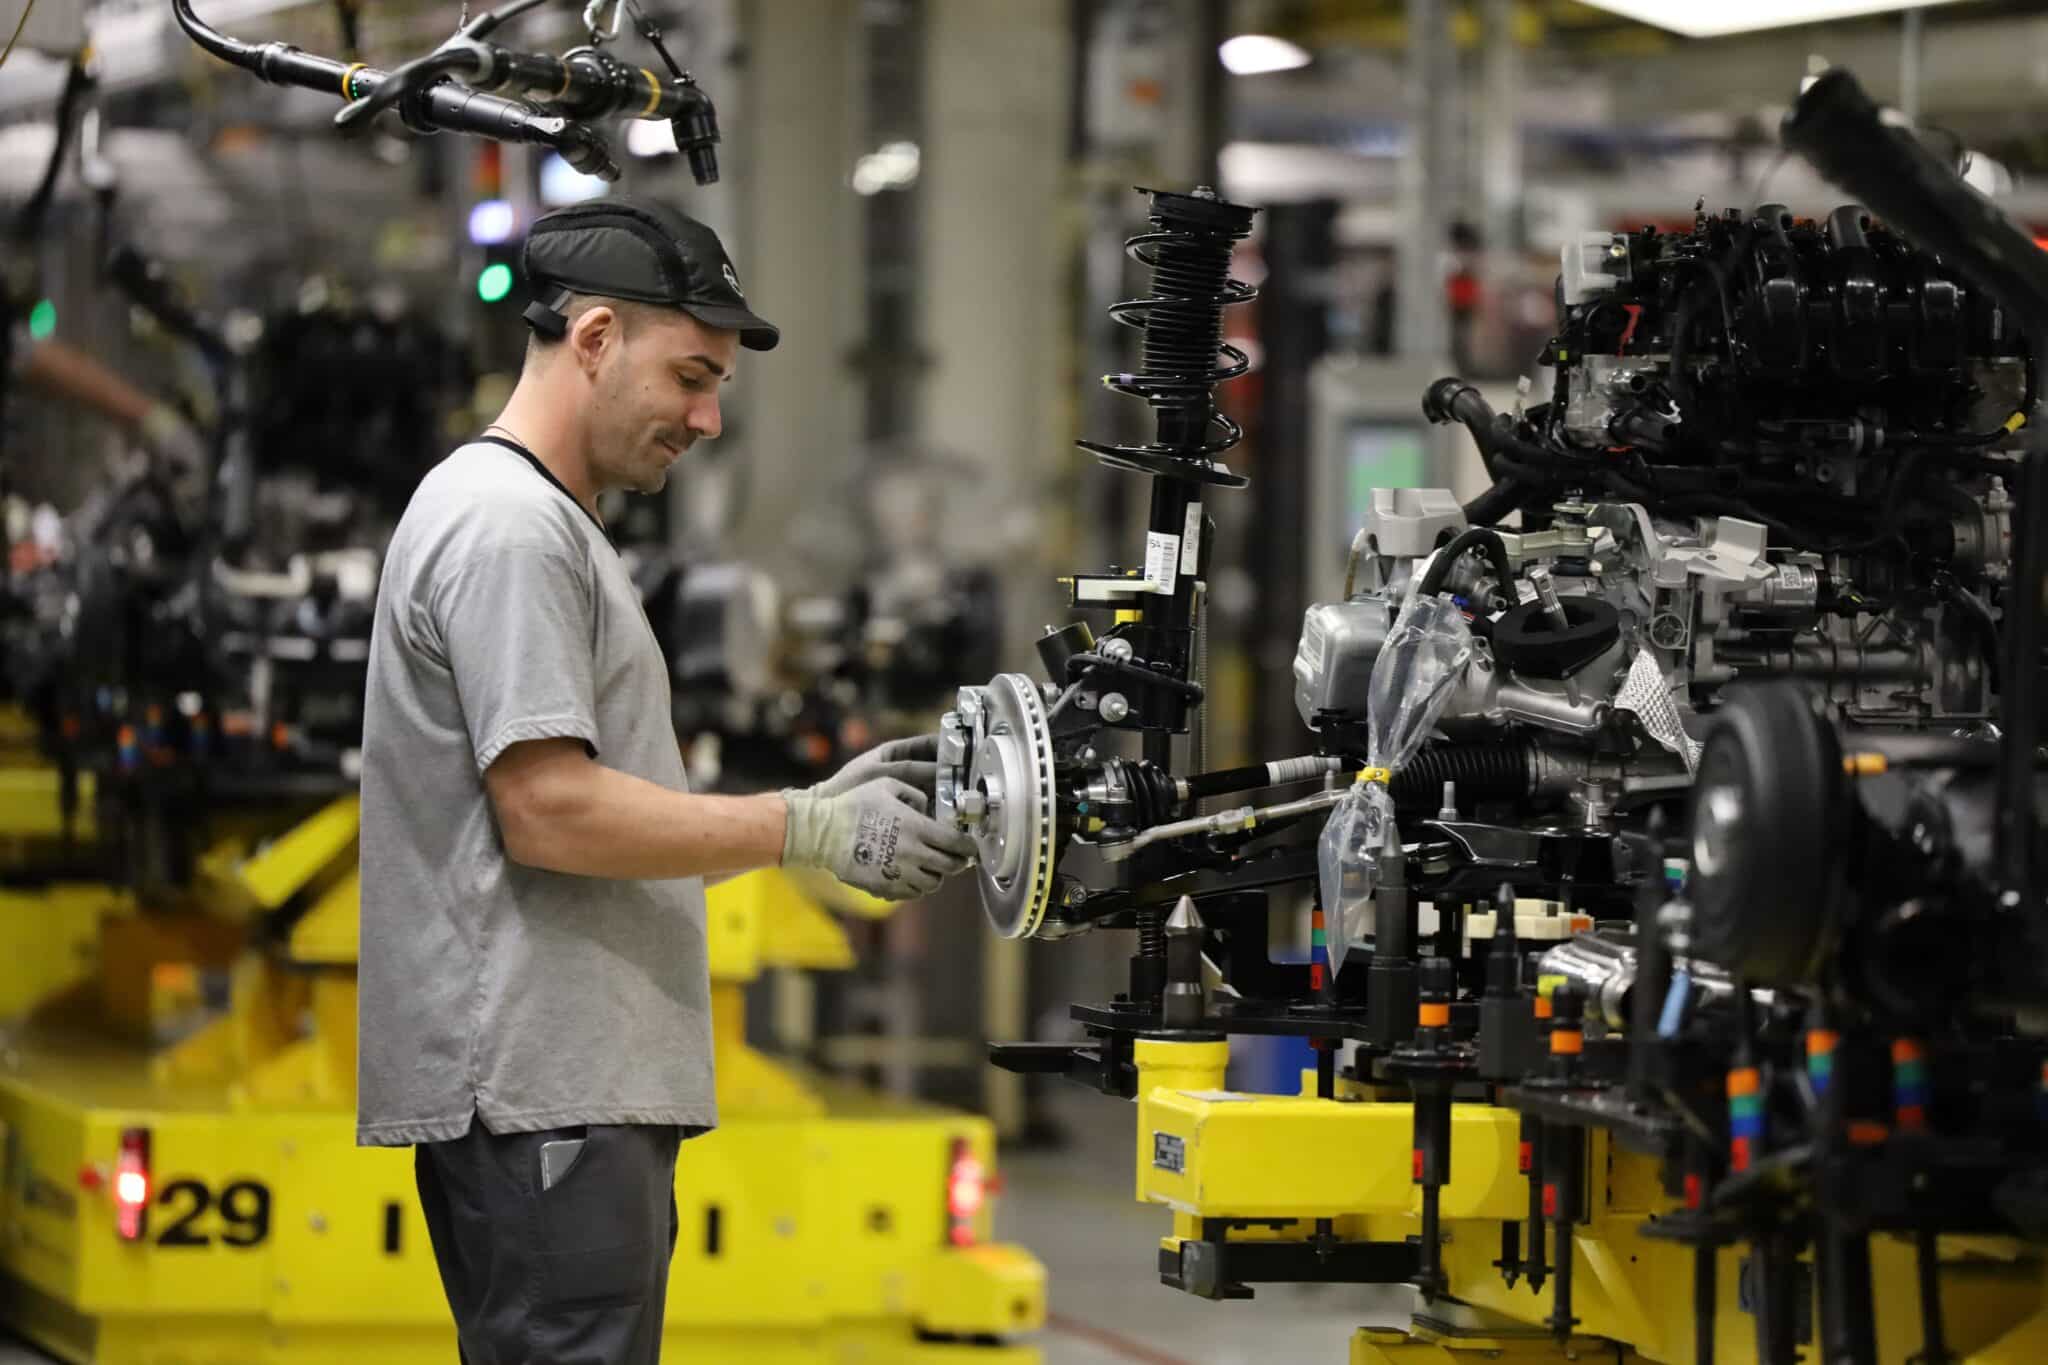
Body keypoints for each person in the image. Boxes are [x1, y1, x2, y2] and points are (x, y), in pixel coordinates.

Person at [355, 197, 978, 1365]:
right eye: (690, 375)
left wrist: (806, 810)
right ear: (593, 339)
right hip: (546, 1091)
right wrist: (801, 828)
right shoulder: (510, 533)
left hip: (570, 1090)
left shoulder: (540, 521)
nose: (704, 416)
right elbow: (546, 808)